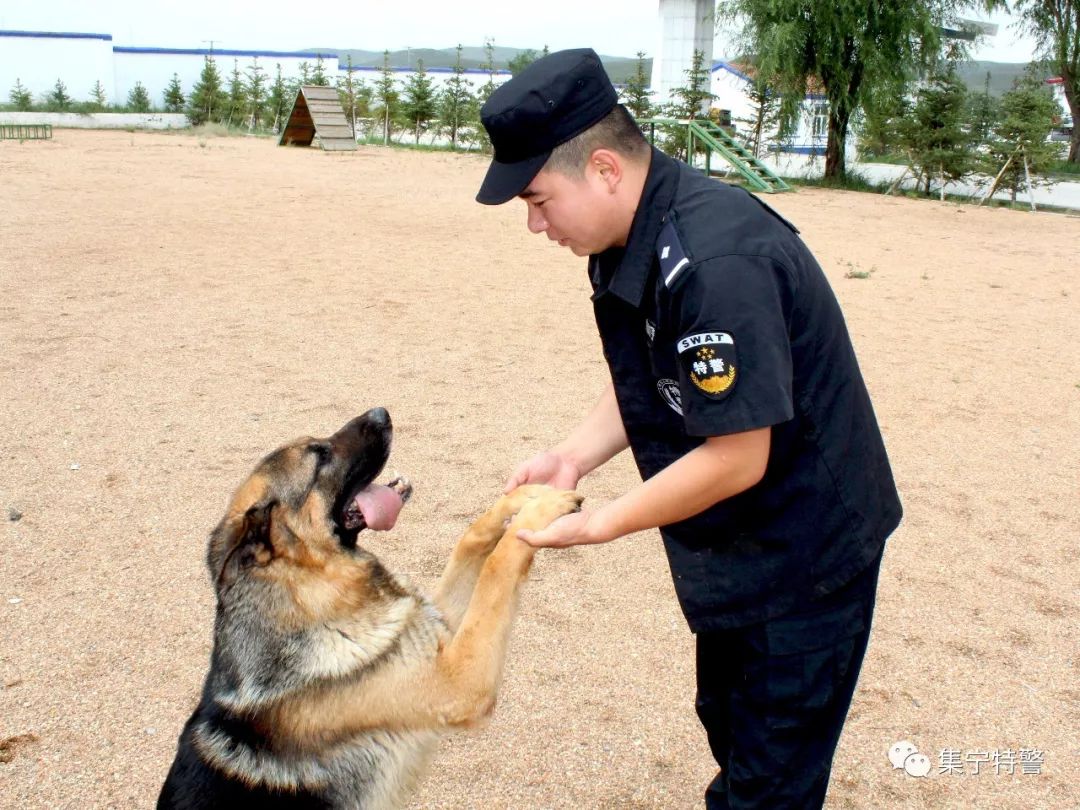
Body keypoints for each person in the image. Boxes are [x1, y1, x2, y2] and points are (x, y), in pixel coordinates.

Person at [475, 48, 902, 809]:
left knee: (769, 780)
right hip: (737, 546)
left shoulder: (714, 260)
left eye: (538, 200)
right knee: (735, 733)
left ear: (604, 168)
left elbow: (738, 457)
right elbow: (648, 371)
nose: (535, 225)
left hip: (803, 558)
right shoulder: (628, 235)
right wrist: (572, 457)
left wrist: (599, 525)